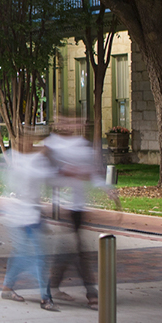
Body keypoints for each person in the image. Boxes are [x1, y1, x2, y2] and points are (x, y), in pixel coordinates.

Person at [44, 117, 120, 310]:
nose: (70, 125)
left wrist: (107, 189)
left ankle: (52, 286)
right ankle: (91, 292)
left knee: (69, 249)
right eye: (65, 122)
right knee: (79, 248)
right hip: (62, 206)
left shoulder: (82, 147)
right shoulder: (52, 144)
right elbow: (47, 172)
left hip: (78, 207)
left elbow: (92, 175)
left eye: (74, 122)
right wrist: (64, 171)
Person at [0, 127, 59, 311]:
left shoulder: (38, 161)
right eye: (23, 139)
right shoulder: (9, 158)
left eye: (30, 139)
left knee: (37, 255)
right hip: (14, 214)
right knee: (24, 253)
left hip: (33, 214)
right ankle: (37, 294)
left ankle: (39, 296)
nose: (26, 142)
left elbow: (49, 180)